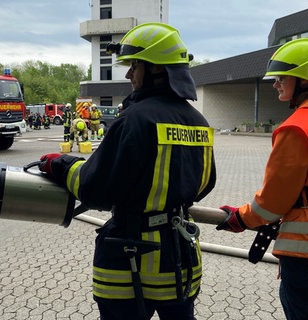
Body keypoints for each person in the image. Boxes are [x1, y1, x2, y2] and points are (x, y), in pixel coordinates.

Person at [38, 22, 216, 320]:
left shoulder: (134, 119)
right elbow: (205, 185)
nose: (128, 73)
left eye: (135, 65)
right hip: (179, 260)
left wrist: (60, 165)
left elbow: (95, 189)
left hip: (130, 259)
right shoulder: (199, 122)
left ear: (158, 70)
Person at [215, 38, 308, 320]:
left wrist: (240, 218)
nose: (275, 83)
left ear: (305, 80)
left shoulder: (296, 127)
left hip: (307, 242)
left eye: (281, 77)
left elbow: (272, 201)